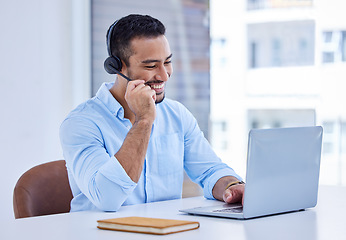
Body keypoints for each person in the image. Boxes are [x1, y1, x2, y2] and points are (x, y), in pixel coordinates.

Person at [60, 14, 245, 212]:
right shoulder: (81, 123)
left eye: (167, 62)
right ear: (117, 66)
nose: (164, 75)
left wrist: (232, 187)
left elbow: (210, 171)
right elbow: (107, 197)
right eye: (151, 66)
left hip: (165, 231)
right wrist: (144, 121)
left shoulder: (177, 115)